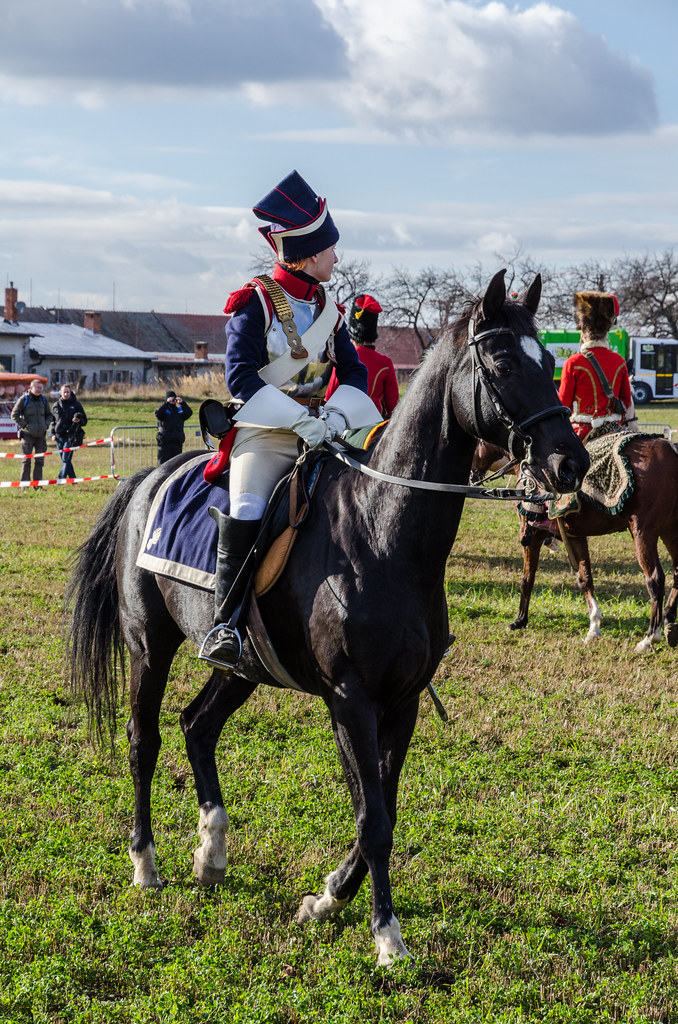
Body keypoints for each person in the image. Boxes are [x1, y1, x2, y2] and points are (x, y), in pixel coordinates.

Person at [199, 169, 380, 668]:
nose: (337, 258)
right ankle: (225, 625)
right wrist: (298, 422)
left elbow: (355, 372)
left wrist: (339, 416)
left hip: (325, 436)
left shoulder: (331, 310)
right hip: (265, 436)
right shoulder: (253, 300)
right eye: (331, 251)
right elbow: (241, 378)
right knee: (250, 509)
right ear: (308, 253)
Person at [558, 291, 634, 441]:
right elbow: (626, 401)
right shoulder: (619, 361)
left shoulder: (573, 362)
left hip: (582, 432)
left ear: (584, 332)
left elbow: (563, 404)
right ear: (606, 332)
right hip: (615, 430)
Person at [325, 294, 400, 418]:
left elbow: (329, 397)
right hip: (374, 423)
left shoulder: (343, 359)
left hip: (345, 423)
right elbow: (393, 407)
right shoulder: (385, 363)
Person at [11, 378, 52, 484]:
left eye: (40, 388)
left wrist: (46, 425)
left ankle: (37, 484)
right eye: (36, 388)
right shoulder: (24, 399)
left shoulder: (43, 400)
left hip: (41, 436)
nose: (38, 390)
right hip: (27, 435)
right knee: (26, 461)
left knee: (39, 461)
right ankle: (24, 485)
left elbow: (49, 415)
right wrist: (25, 425)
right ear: (31, 388)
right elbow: (14, 415)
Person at [51, 383, 88, 479]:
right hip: (59, 436)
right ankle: (73, 478)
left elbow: (85, 421)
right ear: (60, 393)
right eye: (64, 392)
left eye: (68, 392)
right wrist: (53, 433)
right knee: (65, 460)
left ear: (70, 393)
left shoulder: (76, 405)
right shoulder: (56, 405)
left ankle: (60, 479)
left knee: (65, 458)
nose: (66, 394)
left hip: (71, 435)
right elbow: (52, 421)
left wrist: (78, 420)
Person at [154, 390, 193, 464]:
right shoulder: (164, 410)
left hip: (177, 442)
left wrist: (182, 403)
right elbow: (158, 413)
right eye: (171, 399)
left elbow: (189, 412)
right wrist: (166, 403)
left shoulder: (179, 411)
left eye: (174, 399)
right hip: (165, 442)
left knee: (177, 465)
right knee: (164, 465)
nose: (173, 401)